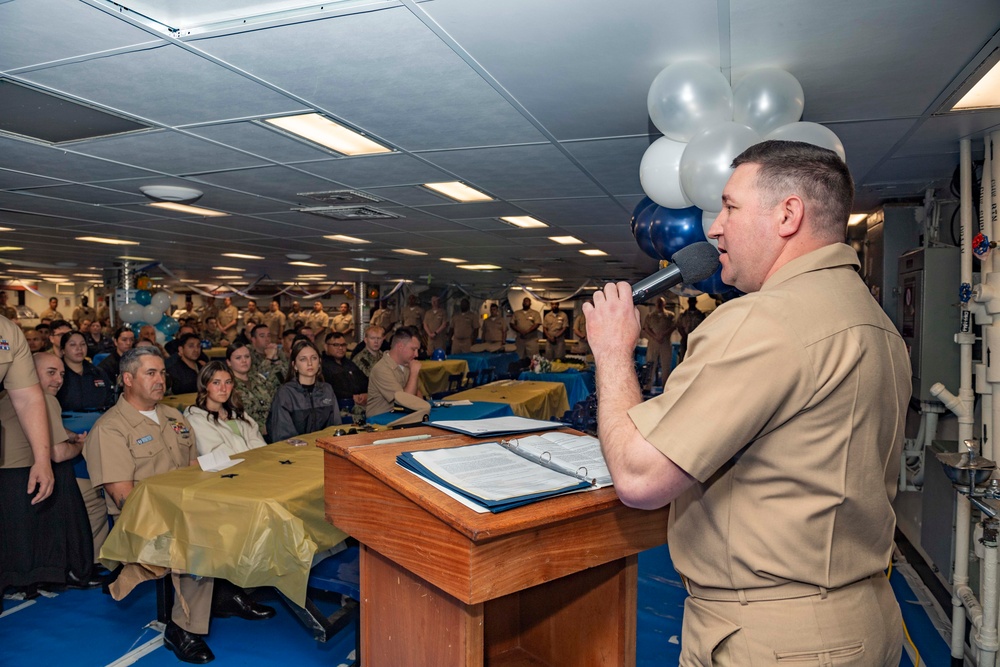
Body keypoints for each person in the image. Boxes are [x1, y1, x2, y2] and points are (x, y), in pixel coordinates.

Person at [584, 140, 910, 665]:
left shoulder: (767, 320)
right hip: (859, 617)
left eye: (730, 207)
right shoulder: (873, 320)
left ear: (788, 215)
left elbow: (640, 477)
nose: (714, 228)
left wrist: (612, 351)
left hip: (774, 638)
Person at [84, 348, 275, 664]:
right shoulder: (110, 429)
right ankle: (181, 628)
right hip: (142, 518)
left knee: (249, 512)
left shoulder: (174, 417)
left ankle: (222, 593)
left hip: (189, 505)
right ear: (127, 379)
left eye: (162, 373)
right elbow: (126, 500)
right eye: (151, 373)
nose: (160, 380)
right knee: (195, 539)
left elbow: (193, 470)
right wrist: (188, 516)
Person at [0, 351, 92, 599]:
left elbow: (43, 426)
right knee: (65, 475)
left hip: (7, 479)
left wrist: (70, 434)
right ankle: (72, 567)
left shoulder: (8, 395)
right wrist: (82, 445)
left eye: (62, 374)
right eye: (51, 372)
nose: (59, 379)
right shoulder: (43, 399)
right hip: (24, 478)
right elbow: (58, 453)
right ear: (30, 373)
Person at [184, 362, 267, 457]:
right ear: (205, 385)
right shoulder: (196, 419)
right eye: (216, 383)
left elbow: (259, 444)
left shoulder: (237, 413)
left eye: (228, 382)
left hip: (255, 466)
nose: (223, 389)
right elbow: (218, 454)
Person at [267, 339, 340, 442]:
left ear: (319, 363)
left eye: (314, 358)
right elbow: (282, 435)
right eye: (303, 359)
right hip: (296, 451)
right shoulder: (285, 393)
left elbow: (335, 427)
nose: (310, 363)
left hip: (324, 449)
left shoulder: (326, 389)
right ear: (295, 365)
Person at [225, 342, 281, 441]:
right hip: (249, 437)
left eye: (247, 356)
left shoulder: (259, 379)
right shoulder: (228, 385)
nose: (244, 361)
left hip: (274, 430)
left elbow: (281, 381)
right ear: (229, 362)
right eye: (238, 358)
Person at [366, 326, 422, 418]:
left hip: (400, 418)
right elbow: (406, 402)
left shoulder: (407, 365)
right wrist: (414, 373)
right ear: (400, 346)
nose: (416, 354)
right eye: (413, 349)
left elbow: (418, 395)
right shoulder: (381, 369)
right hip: (380, 424)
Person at [57, 331, 114, 413]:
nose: (79, 348)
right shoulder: (56, 375)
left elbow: (110, 400)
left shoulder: (98, 372)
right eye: (73, 345)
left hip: (98, 422)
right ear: (63, 350)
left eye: (83, 344)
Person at [321, 332, 368, 412]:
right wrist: (352, 396)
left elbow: (365, 381)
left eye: (343, 345)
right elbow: (328, 390)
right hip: (339, 408)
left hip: (362, 405)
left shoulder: (350, 363)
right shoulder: (322, 366)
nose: (340, 348)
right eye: (336, 345)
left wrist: (366, 394)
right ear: (326, 346)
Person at [641, 297, 677, 390]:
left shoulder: (670, 315)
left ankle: (666, 387)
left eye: (661, 303)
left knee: (666, 366)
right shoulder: (650, 316)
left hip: (665, 343)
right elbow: (646, 328)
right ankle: (647, 387)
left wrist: (663, 335)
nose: (659, 305)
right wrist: (655, 336)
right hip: (653, 343)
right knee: (650, 364)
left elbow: (673, 326)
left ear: (664, 304)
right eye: (658, 303)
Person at [676, 296, 706, 363]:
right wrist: (684, 336)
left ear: (696, 302)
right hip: (685, 339)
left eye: (693, 302)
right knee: (683, 358)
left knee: (696, 358)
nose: (691, 303)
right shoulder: (683, 315)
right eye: (690, 302)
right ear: (688, 302)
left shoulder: (700, 315)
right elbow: (679, 326)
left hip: (696, 340)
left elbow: (703, 326)